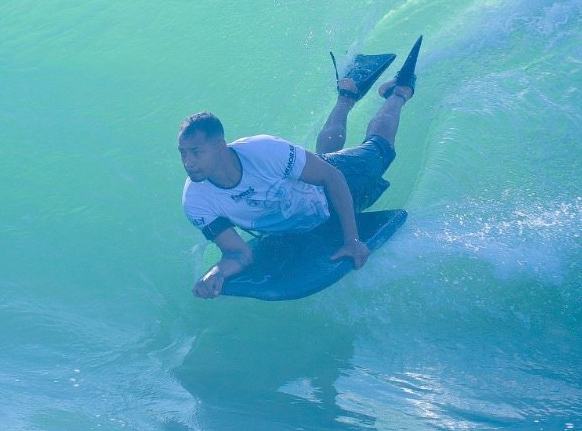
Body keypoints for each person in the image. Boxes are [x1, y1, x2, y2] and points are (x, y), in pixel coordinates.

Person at [179, 37, 420, 298]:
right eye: (182, 153)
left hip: (335, 185)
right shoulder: (195, 200)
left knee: (378, 151)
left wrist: (352, 239)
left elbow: (332, 176)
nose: (188, 163)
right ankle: (347, 94)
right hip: (302, 208)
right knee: (320, 160)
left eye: (195, 153)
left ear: (220, 147)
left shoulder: (263, 150)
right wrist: (217, 274)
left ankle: (399, 91)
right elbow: (239, 253)